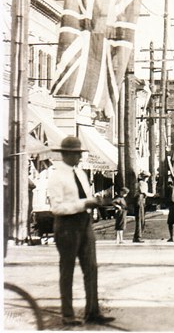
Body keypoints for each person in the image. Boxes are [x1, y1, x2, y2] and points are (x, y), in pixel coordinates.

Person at [48, 136, 115, 326]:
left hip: (84, 223)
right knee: (67, 270)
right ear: (66, 155)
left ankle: (92, 311)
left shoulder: (82, 175)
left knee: (91, 269)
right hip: (66, 226)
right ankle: (67, 315)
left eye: (79, 154)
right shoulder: (56, 177)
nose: (79, 157)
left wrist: (101, 201)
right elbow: (56, 208)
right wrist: (85, 203)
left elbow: (88, 198)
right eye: (76, 154)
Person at [133, 171, 153, 243]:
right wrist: (153, 195)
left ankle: (137, 236)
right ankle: (138, 237)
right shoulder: (142, 183)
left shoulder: (140, 183)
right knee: (140, 219)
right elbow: (143, 192)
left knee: (141, 219)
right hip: (140, 200)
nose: (147, 178)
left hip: (141, 200)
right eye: (146, 177)